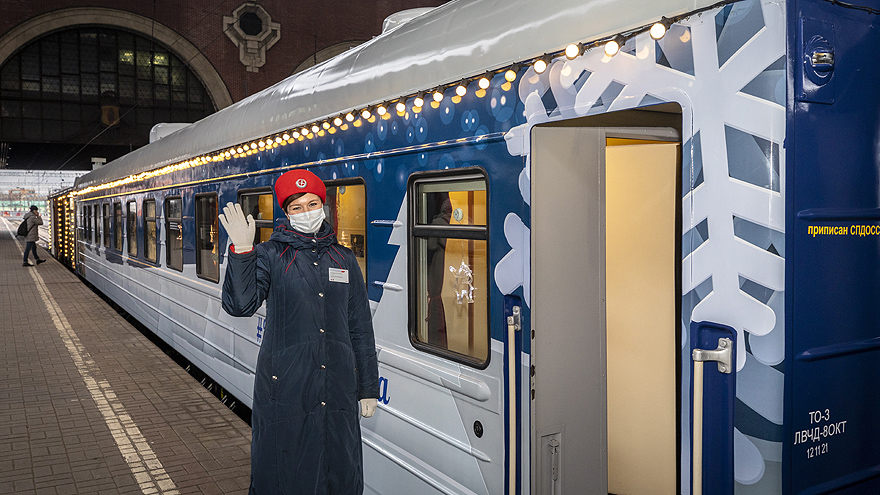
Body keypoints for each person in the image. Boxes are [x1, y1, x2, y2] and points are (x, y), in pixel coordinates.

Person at [219, 169, 380, 495]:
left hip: (336, 389)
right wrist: (242, 252)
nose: (306, 212)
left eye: (312, 204)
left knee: (338, 473)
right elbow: (240, 305)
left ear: (324, 206)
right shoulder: (271, 255)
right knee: (286, 475)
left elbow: (360, 327)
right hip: (286, 390)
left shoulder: (344, 259)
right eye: (297, 207)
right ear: (287, 213)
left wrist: (367, 387)